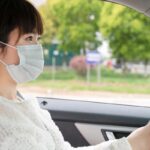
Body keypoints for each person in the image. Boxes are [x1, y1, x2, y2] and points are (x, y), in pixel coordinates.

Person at [0, 0, 150, 150]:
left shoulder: (26, 105)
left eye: (37, 39)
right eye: (28, 39)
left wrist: (136, 141)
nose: (37, 48)